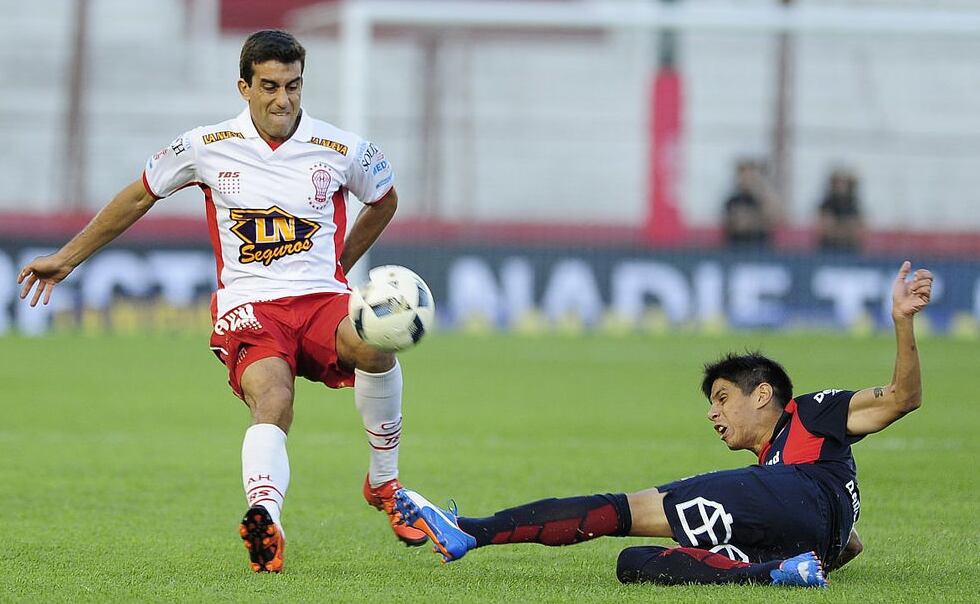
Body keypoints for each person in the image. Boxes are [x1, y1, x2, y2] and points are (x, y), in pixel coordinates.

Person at [16, 30, 427, 573]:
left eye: (294, 86)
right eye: (270, 86)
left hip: (320, 298)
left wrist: (339, 267)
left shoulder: (344, 149)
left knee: (378, 342)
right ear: (244, 86)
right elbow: (140, 194)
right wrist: (68, 258)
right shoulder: (203, 147)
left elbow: (384, 199)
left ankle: (384, 484)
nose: (283, 99)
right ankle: (265, 517)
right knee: (272, 401)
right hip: (249, 307)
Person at [394, 261, 932, 589]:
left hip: (803, 503)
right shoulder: (779, 464)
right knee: (636, 562)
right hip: (803, 532)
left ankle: (473, 531)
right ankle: (774, 574)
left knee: (627, 508)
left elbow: (903, 397)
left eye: (722, 399)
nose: (712, 414)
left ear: (764, 394)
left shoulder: (810, 411)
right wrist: (828, 540)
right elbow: (851, 544)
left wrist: (902, 322)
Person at [722, 159, 776, 247]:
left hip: (762, 249)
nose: (746, 179)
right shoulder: (733, 201)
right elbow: (740, 226)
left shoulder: (762, 199)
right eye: (743, 175)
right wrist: (758, 220)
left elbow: (774, 219)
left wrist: (762, 188)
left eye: (750, 176)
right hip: (737, 249)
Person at [817, 168, 863, 251]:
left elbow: (857, 230)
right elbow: (825, 230)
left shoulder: (853, 204)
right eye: (838, 183)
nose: (840, 187)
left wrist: (838, 229)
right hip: (827, 248)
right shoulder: (827, 203)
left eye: (843, 183)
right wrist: (845, 229)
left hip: (850, 248)